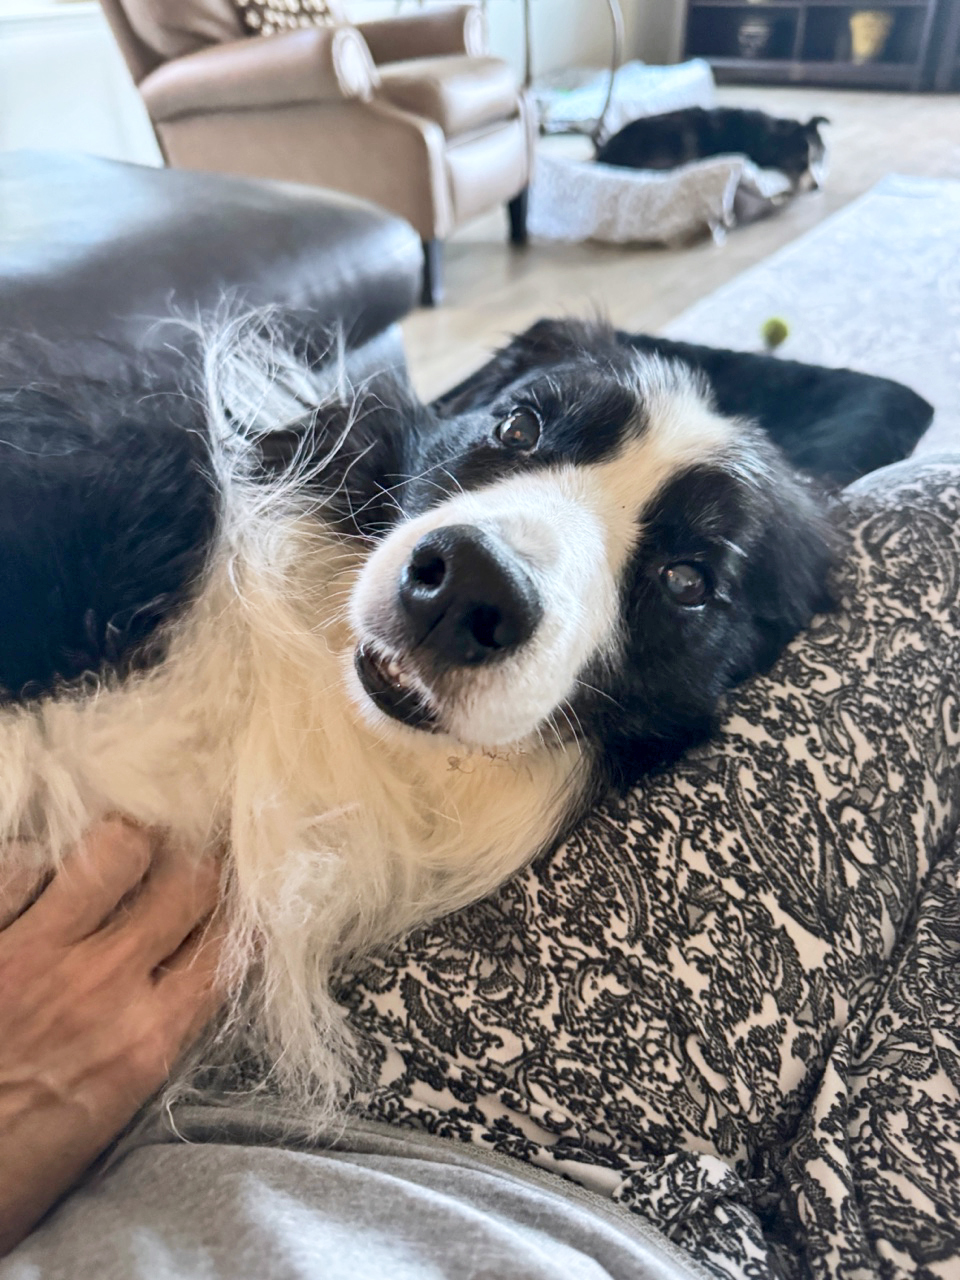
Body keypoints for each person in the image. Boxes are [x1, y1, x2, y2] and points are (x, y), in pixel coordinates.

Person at [2, 458, 959, 1280]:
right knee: (933, 524)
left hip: (267, 1133)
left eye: (683, 578)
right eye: (518, 439)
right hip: (585, 1203)